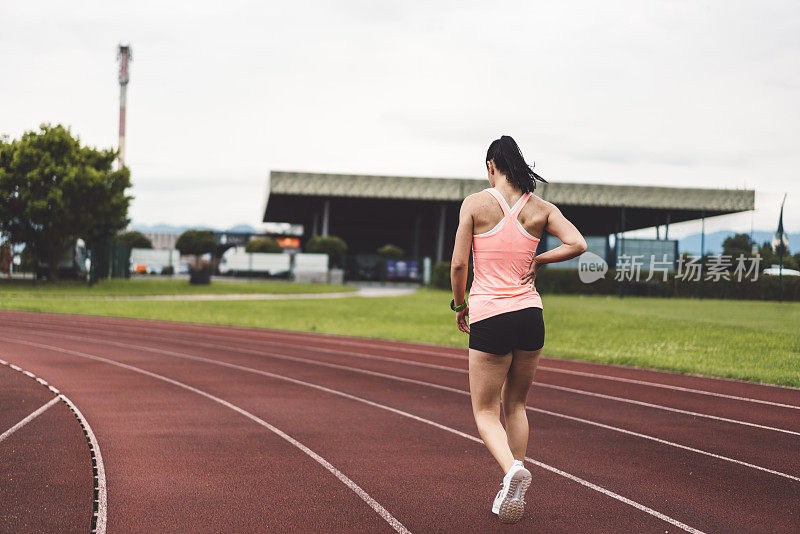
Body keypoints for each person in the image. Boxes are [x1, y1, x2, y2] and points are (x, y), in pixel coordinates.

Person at [449, 135, 587, 523]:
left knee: (484, 411)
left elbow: (460, 266)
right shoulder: (541, 208)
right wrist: (540, 259)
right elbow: (577, 243)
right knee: (517, 404)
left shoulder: (475, 204)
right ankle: (515, 475)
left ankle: (512, 473)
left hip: (491, 313)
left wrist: (460, 305)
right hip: (530, 313)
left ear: (492, 166)